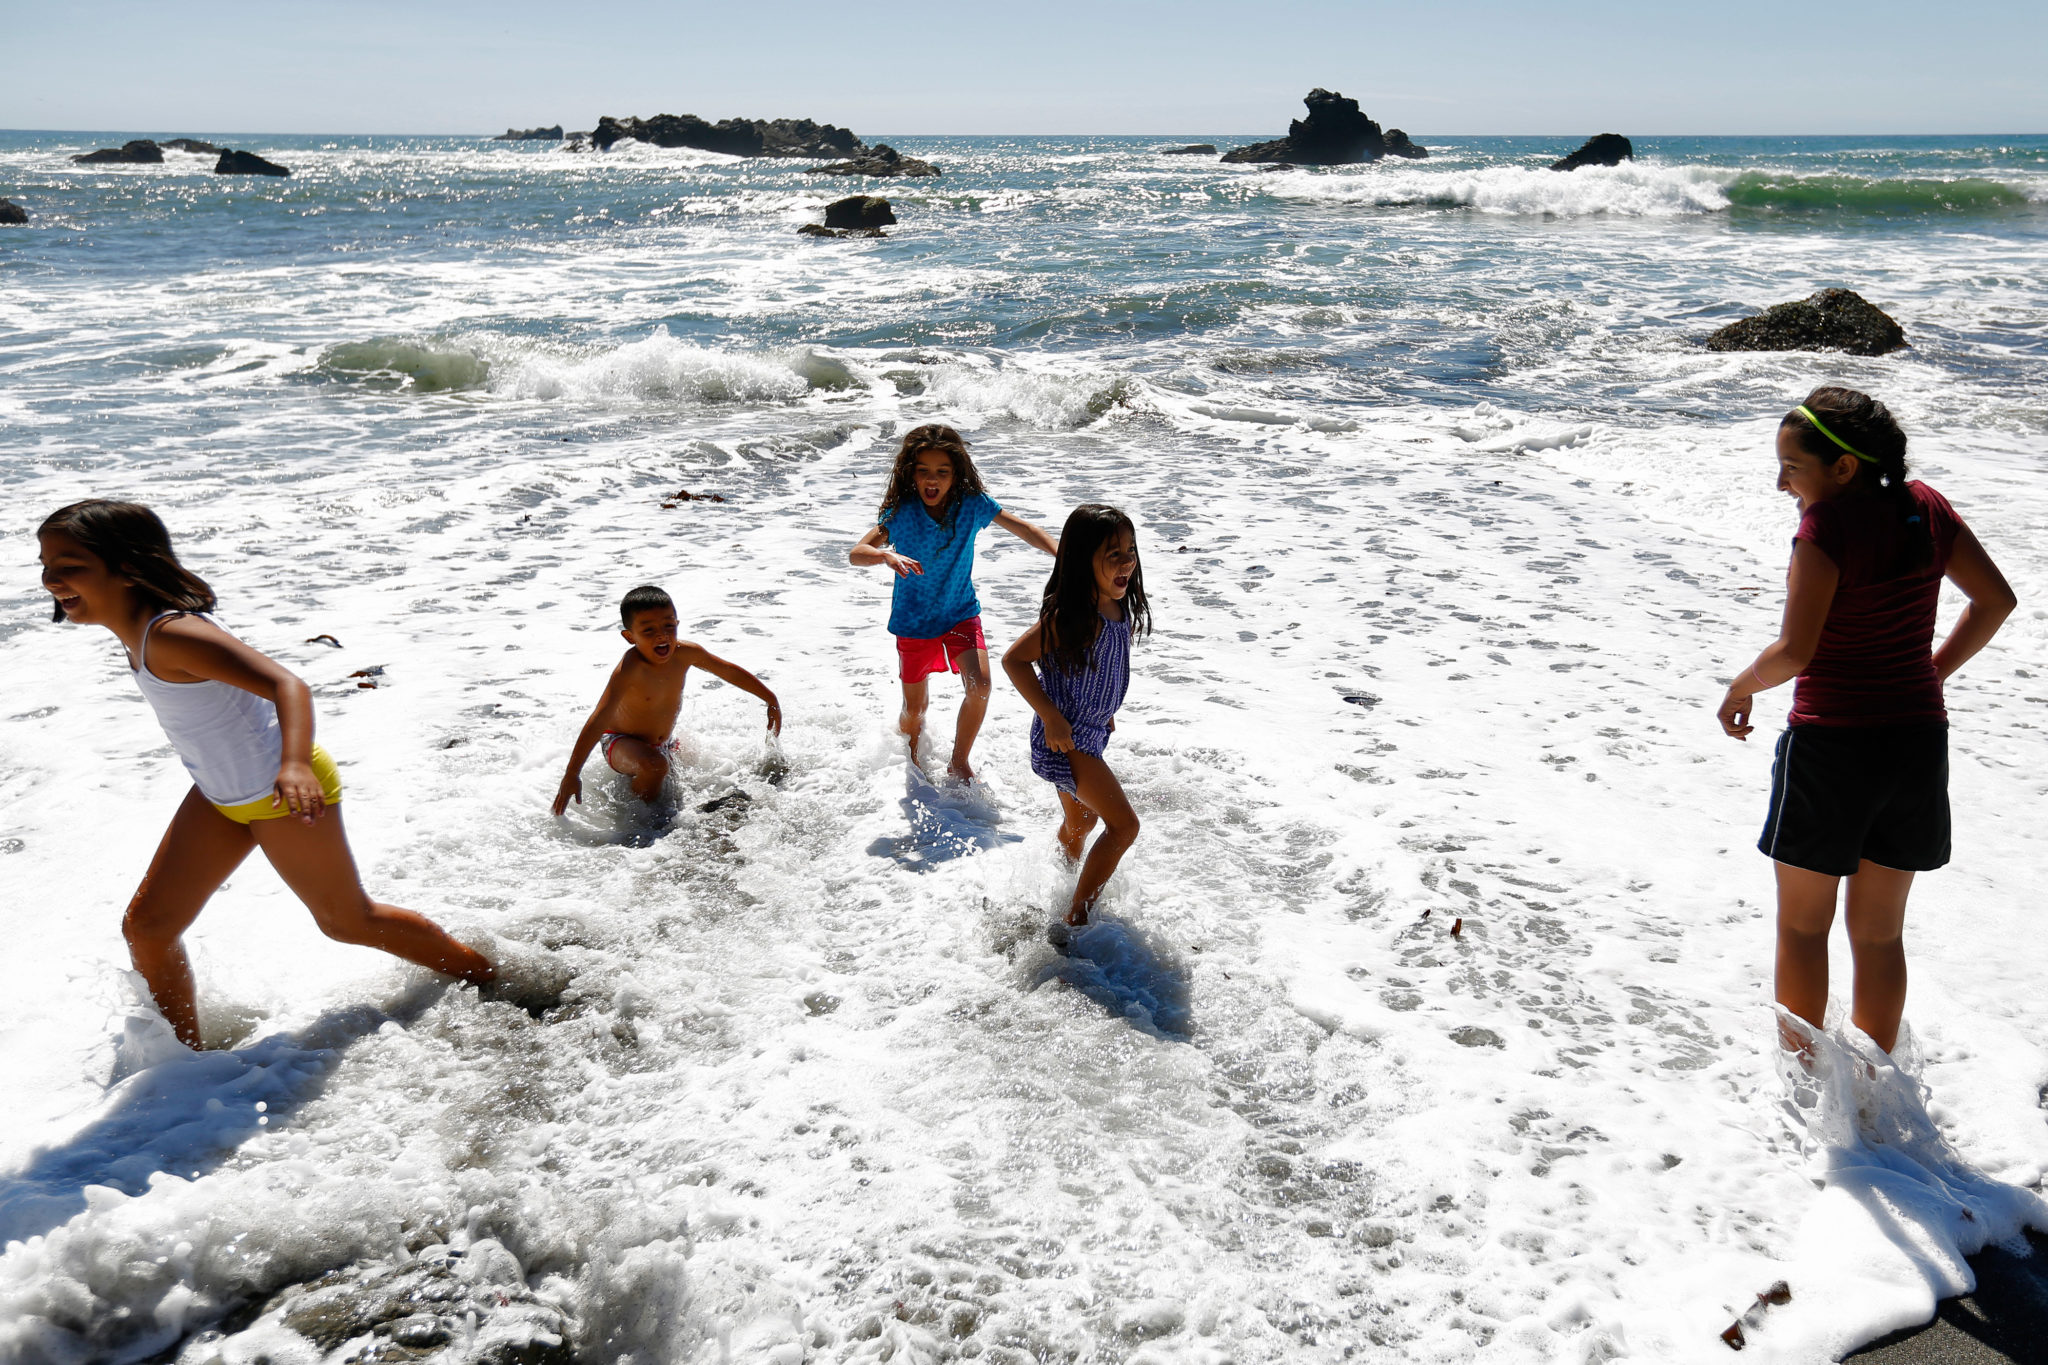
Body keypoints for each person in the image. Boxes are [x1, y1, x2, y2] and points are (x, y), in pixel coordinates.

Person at [36, 500, 497, 1049]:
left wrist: (295, 765)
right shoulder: (137, 631)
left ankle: (491, 979)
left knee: (348, 922)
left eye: (70, 566)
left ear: (129, 567)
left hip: (284, 791)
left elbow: (288, 685)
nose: (50, 579)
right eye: (44, 564)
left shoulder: (172, 634)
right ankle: (185, 1064)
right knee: (149, 929)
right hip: (219, 794)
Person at [1716, 388, 2015, 1056]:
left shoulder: (1826, 529)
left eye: (1792, 465)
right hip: (1915, 743)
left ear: (1843, 467)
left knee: (1801, 928)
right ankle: (1880, 1090)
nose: (1780, 481)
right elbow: (1995, 601)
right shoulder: (1927, 508)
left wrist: (1740, 686)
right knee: (1879, 934)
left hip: (1832, 746)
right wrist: (1932, 673)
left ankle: (1805, 1088)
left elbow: (1797, 650)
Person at [850, 424, 1057, 782]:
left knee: (980, 686)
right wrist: (886, 557)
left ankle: (959, 761)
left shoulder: (972, 506)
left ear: (955, 474)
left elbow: (1023, 528)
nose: (933, 480)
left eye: (942, 472)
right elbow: (857, 553)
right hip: (914, 622)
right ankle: (910, 760)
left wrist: (1062, 554)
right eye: (924, 472)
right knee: (915, 709)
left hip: (960, 613)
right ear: (910, 473)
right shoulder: (902, 513)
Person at [1002, 504, 1150, 932]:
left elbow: (1101, 667)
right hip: (1066, 740)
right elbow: (1014, 660)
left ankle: (1056, 875)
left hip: (1088, 729)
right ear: (1083, 560)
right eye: (1112, 553)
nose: (1126, 561)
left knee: (1082, 821)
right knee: (1123, 827)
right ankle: (1075, 921)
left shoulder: (1116, 607)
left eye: (1130, 550)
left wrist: (1104, 709)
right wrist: (1049, 715)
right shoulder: (1074, 617)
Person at [553, 585, 781, 814]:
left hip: (664, 743)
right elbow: (600, 718)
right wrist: (572, 774)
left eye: (668, 626)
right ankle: (644, 818)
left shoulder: (686, 653)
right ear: (629, 636)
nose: (662, 635)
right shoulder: (630, 669)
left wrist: (770, 699)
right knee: (655, 766)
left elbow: (728, 671)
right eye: (649, 630)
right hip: (619, 741)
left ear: (677, 624)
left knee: (698, 756)